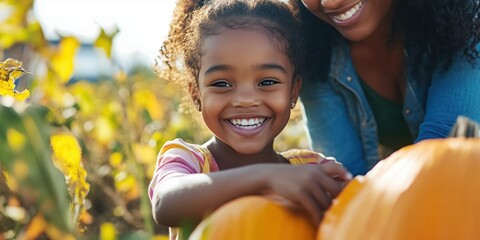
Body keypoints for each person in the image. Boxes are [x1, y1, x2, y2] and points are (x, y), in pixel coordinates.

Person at [149, 0, 352, 239]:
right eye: (222, 84)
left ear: (293, 91)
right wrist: (266, 178)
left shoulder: (310, 170)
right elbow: (165, 203)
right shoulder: (189, 161)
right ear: (197, 94)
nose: (245, 100)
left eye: (267, 82)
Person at [289, 0, 480, 176]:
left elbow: (444, 151)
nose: (331, 2)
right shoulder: (313, 49)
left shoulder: (467, 13)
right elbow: (344, 179)